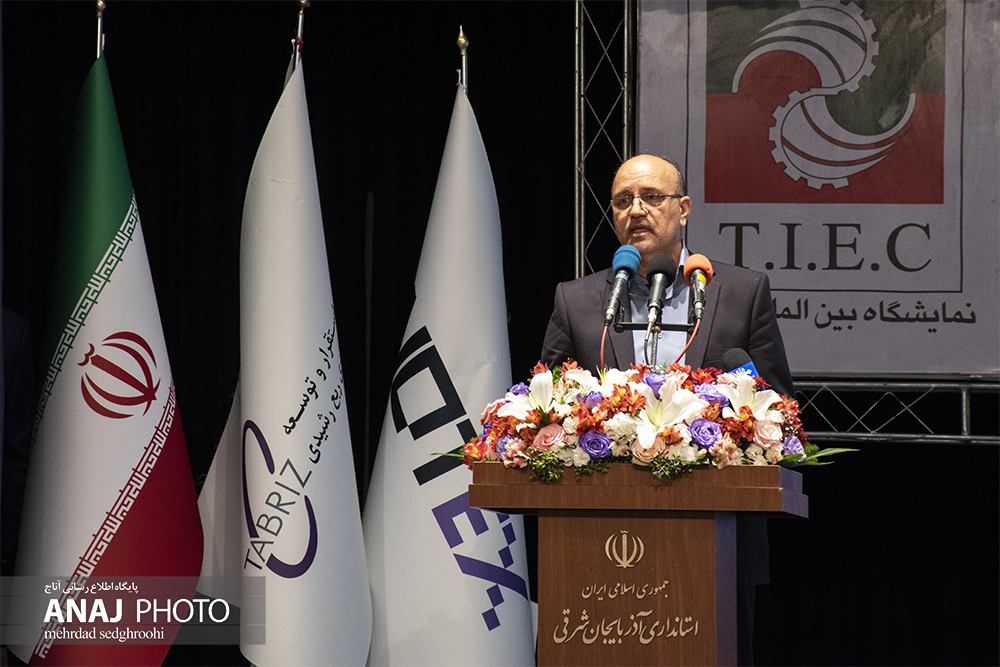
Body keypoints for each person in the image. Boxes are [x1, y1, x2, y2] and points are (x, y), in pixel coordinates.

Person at [540, 154, 794, 666]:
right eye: (622, 200)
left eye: (652, 198)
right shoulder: (578, 300)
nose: (636, 210)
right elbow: (544, 408)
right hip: (593, 547)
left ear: (684, 209)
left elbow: (780, 411)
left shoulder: (741, 293)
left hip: (719, 544)